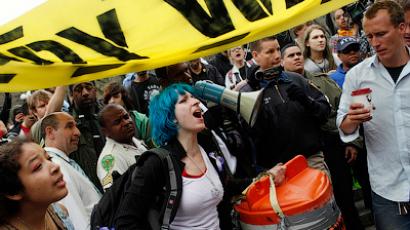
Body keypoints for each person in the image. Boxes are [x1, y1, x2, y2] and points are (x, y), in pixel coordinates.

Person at [114, 83, 286, 229]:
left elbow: (226, 187)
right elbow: (125, 221)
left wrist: (265, 177)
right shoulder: (157, 163)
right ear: (171, 118)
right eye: (184, 100)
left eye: (193, 97)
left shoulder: (206, 145)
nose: (196, 101)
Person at [337, 1, 410, 229]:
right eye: (369, 37)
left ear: (401, 28)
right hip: (388, 191)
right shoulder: (357, 76)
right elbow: (343, 126)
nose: (375, 43)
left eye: (380, 34)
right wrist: (352, 120)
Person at [281, 43, 365, 230]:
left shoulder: (323, 81)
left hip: (334, 147)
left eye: (298, 54)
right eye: (291, 56)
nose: (296, 58)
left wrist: (352, 142)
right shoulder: (278, 91)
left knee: (346, 200)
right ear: (282, 62)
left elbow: (346, 111)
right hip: (306, 157)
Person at [41, 112, 102, 230]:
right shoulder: (56, 168)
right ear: (50, 132)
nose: (78, 132)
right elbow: (77, 222)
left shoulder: (63, 163)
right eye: (69, 126)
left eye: (76, 126)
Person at [0, 139, 73, 229]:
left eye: (49, 159)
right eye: (38, 166)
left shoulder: (60, 213)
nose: (55, 167)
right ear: (13, 191)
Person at [97, 104, 147, 190]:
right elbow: (116, 198)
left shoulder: (133, 140)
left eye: (126, 117)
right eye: (117, 122)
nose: (126, 122)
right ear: (105, 131)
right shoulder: (110, 159)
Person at [68, 82, 105, 192]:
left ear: (95, 90)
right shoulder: (67, 125)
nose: (85, 93)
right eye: (79, 89)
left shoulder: (109, 116)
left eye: (88, 87)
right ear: (71, 95)